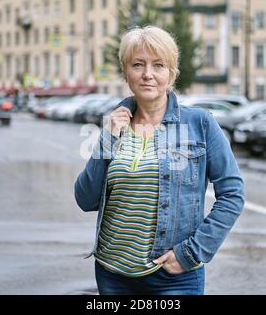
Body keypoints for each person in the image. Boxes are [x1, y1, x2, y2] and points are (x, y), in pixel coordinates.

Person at [74, 26, 245, 295]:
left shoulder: (200, 123)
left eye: (158, 65)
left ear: (171, 73)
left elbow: (232, 194)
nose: (147, 74)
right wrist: (106, 140)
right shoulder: (114, 127)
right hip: (112, 274)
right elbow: (85, 199)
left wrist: (192, 252)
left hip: (173, 277)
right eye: (138, 64)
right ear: (125, 71)